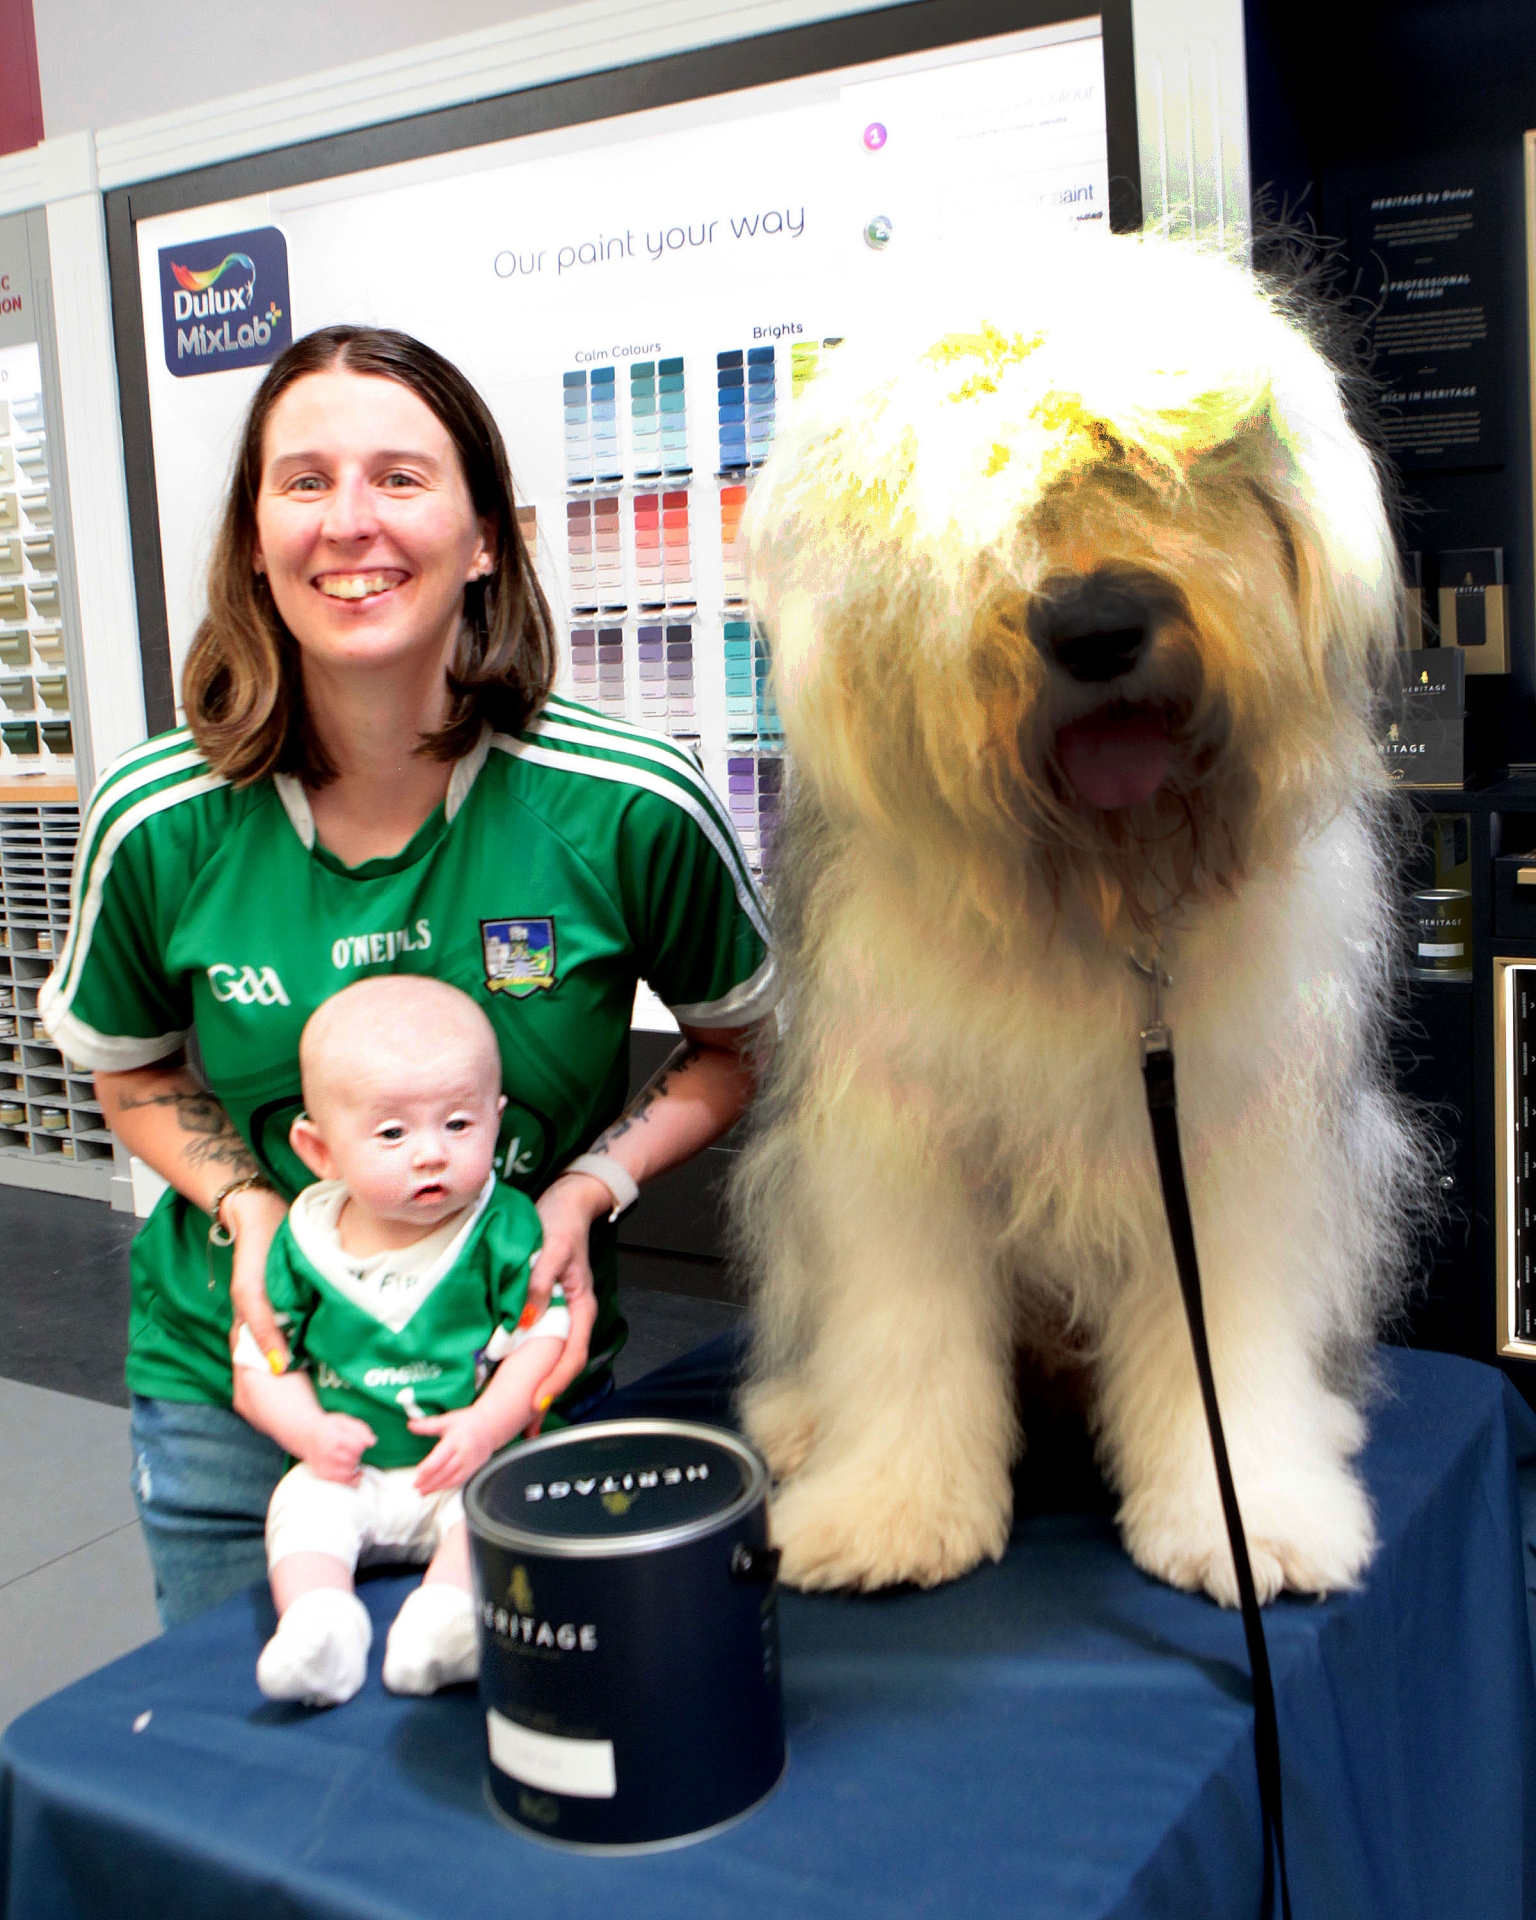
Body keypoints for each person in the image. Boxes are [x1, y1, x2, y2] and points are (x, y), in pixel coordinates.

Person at [41, 325, 774, 1628]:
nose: (351, 523)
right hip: (242, 1382)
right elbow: (133, 1067)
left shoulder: (624, 806)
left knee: (512, 1737)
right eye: (306, 482)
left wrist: (591, 1191)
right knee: (253, 1751)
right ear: (256, 537)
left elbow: (738, 1046)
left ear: (486, 536)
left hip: (511, 1376)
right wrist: (252, 1210)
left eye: (401, 478)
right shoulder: (159, 816)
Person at [236, 976, 566, 1708]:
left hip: (465, 1459)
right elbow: (261, 1362)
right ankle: (322, 1625)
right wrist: (308, 1430)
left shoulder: (504, 1227)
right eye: (392, 1133)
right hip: (348, 1466)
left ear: (496, 1120)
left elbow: (544, 1339)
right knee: (302, 1512)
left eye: (458, 1124)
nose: (430, 1155)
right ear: (318, 1150)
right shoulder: (301, 1240)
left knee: (496, 1513)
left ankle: (444, 1623)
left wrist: (487, 1424)